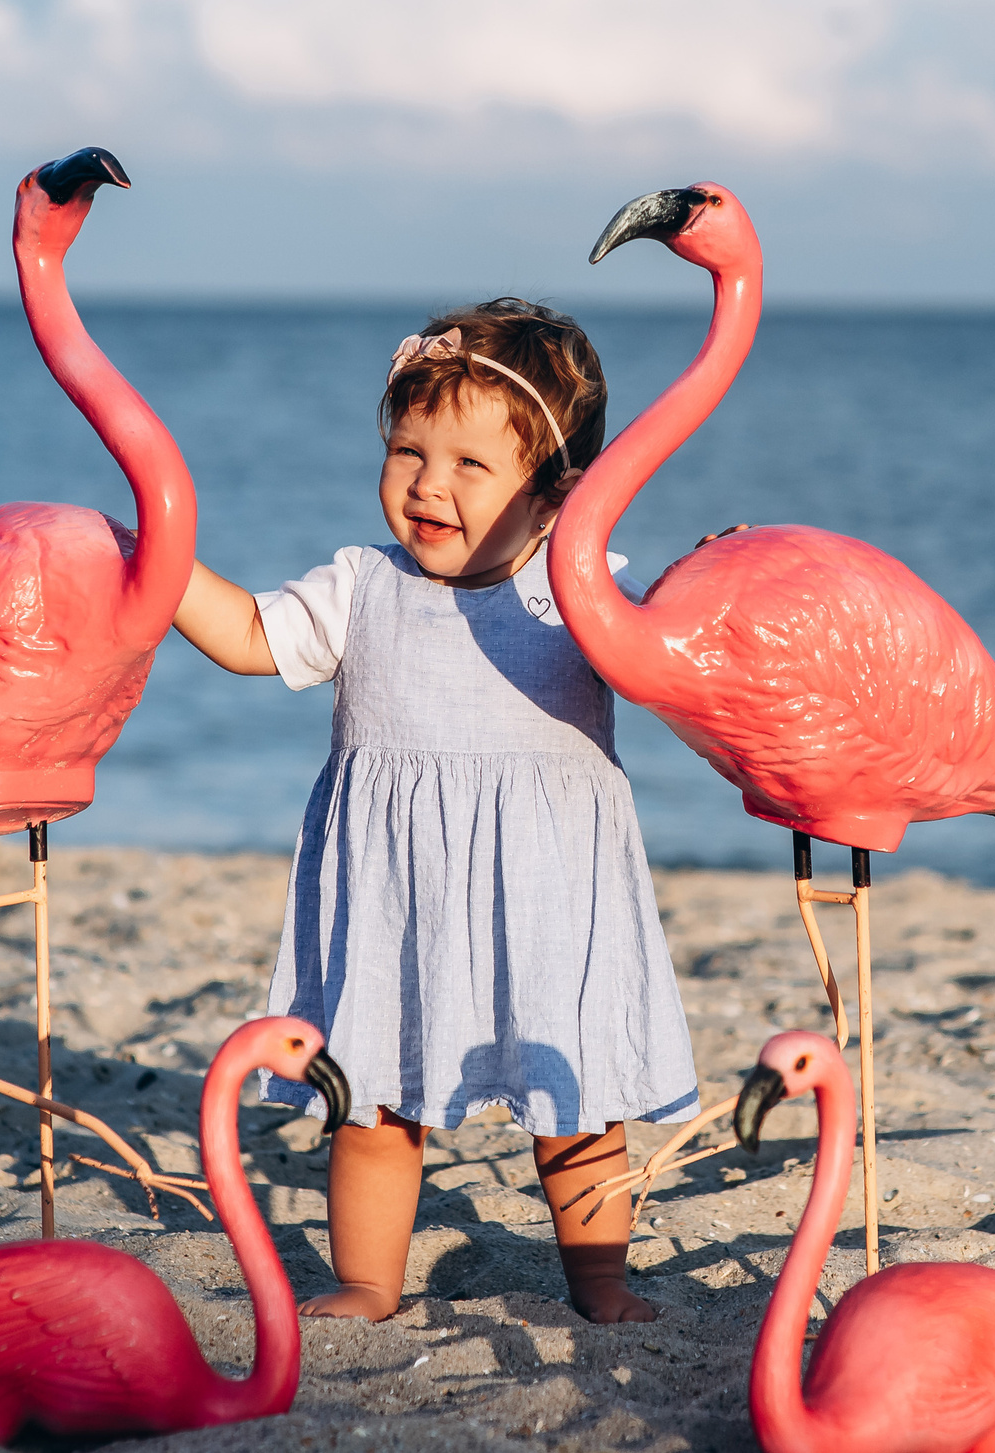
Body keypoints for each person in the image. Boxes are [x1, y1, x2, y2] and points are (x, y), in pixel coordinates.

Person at [170, 299, 697, 1324]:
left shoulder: (579, 592)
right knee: (370, 1097)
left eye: (468, 463)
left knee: (575, 1097)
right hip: (392, 903)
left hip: (549, 903)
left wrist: (719, 593)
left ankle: (599, 1278)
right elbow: (243, 633)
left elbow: (680, 666)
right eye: (408, 449)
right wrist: (157, 567)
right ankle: (369, 1278)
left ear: (556, 494)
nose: (426, 483)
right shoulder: (360, 587)